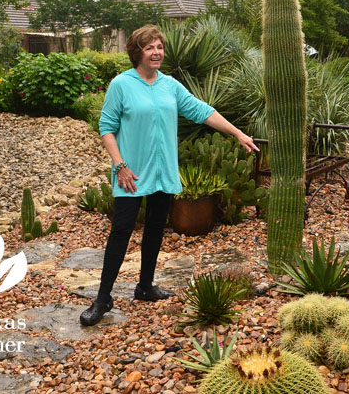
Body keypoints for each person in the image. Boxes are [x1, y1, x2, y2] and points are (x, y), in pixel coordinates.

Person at [80, 24, 258, 326]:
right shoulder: (121, 85)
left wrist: (237, 132)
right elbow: (106, 128)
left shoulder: (169, 85)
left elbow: (202, 111)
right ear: (138, 52)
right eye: (150, 47)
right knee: (121, 232)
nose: (156, 52)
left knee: (155, 227)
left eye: (159, 47)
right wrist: (119, 165)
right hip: (130, 173)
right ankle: (102, 299)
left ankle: (145, 286)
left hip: (163, 171)